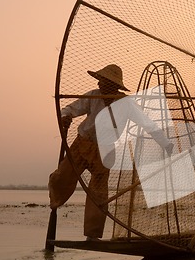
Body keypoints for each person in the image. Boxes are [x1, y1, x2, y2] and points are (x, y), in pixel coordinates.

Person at [48, 64, 173, 241]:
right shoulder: (93, 96)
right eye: (100, 81)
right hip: (83, 144)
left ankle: (92, 235)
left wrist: (165, 143)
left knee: (98, 193)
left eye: (104, 82)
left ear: (113, 85)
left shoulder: (126, 104)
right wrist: (65, 117)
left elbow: (147, 123)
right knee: (62, 177)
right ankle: (54, 202)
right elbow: (71, 108)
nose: (100, 85)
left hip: (105, 151)